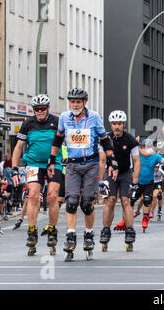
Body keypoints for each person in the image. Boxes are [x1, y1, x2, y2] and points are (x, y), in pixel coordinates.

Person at [48, 88, 119, 261]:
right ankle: (71, 236)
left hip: (91, 164)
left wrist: (112, 160)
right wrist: (51, 159)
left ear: (84, 103)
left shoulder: (94, 117)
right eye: (72, 102)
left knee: (87, 203)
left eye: (78, 102)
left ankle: (88, 235)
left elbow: (104, 140)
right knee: (71, 201)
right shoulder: (65, 117)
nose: (75, 105)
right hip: (72, 164)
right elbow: (58, 138)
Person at [11, 94, 63, 256]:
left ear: (48, 108)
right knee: (33, 195)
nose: (39, 112)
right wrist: (14, 169)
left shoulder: (57, 121)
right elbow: (18, 147)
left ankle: (52, 230)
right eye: (36, 109)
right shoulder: (28, 123)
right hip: (33, 163)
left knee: (52, 196)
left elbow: (67, 141)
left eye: (42, 109)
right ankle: (32, 231)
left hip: (55, 163)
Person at [98, 110, 140, 252]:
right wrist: (101, 181)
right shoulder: (105, 139)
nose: (117, 126)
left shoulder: (130, 140)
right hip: (110, 174)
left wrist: (135, 182)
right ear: (111, 124)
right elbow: (102, 160)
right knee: (110, 200)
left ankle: (129, 231)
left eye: (120, 123)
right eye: (114, 123)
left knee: (125, 201)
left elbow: (136, 161)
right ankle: (105, 230)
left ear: (124, 124)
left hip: (125, 173)